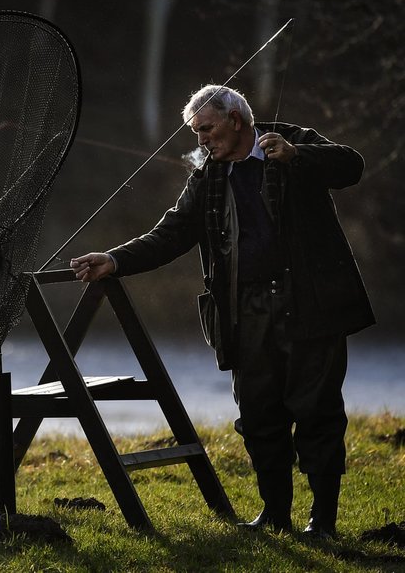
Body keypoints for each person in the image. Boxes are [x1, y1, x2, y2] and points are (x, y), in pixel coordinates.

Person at [70, 85, 374, 539]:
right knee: (257, 416)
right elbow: (170, 233)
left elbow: (352, 166)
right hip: (244, 313)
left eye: (207, 129)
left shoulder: (292, 141)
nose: (201, 141)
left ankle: (323, 522)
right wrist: (114, 260)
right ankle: (275, 515)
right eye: (196, 133)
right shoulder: (208, 174)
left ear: (236, 120)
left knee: (317, 413)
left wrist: (295, 157)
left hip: (309, 306)